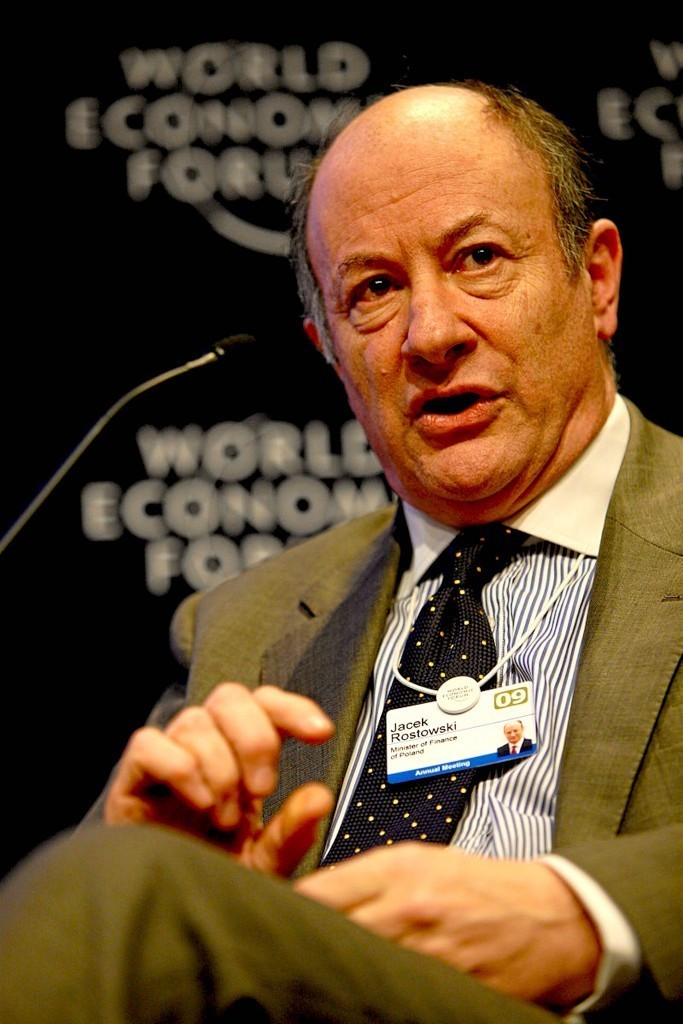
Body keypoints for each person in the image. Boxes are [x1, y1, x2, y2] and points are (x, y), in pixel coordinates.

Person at [1, 80, 681, 1024]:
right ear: (327, 347)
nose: (431, 334)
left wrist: (589, 915)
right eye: (373, 291)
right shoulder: (243, 623)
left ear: (595, 280)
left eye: (479, 259)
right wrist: (145, 858)